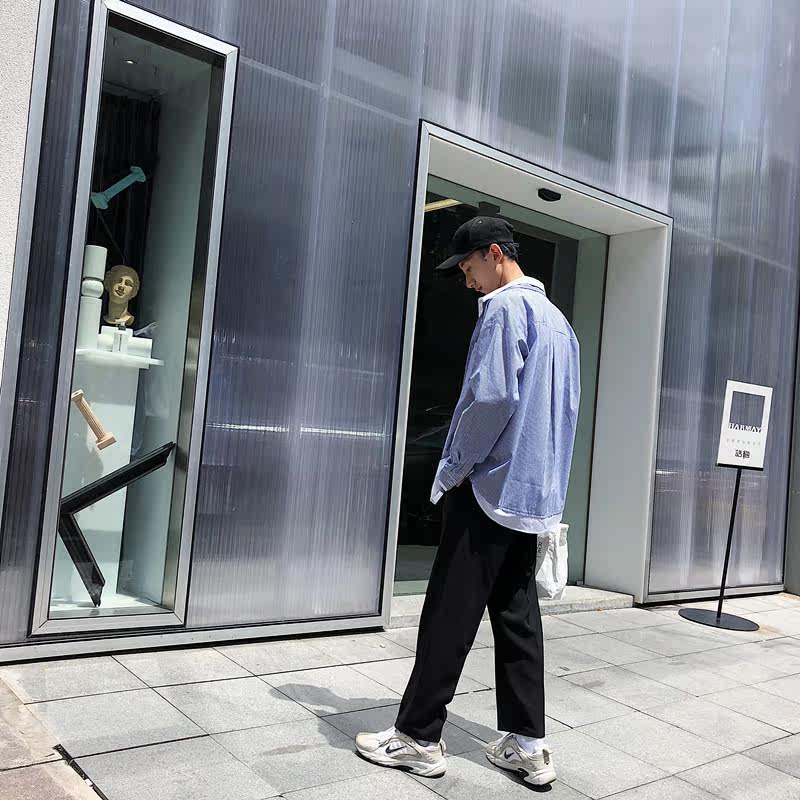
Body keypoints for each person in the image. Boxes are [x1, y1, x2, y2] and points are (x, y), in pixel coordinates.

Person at [356, 216, 580, 786]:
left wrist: (454, 468)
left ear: (495, 254)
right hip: (528, 496)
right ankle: (528, 744)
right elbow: (565, 414)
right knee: (517, 617)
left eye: (468, 266)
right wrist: (548, 494)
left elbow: (491, 397)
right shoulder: (559, 323)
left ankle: (417, 736)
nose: (466, 279)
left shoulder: (504, 309)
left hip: (487, 487)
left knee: (448, 614)